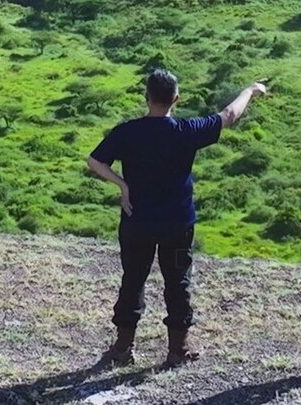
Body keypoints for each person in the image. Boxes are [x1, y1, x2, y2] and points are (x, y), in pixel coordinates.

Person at [84, 69, 270, 368]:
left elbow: (94, 161)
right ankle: (177, 350)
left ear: (146, 98)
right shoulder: (186, 130)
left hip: (137, 219)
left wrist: (123, 185)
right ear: (176, 99)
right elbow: (229, 115)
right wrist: (251, 90)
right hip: (177, 221)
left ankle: (122, 348)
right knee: (178, 282)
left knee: (133, 279)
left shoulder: (127, 131)